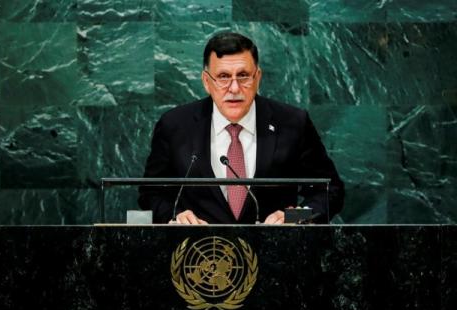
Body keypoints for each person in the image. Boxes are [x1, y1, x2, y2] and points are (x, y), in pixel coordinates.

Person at [138, 31, 344, 225]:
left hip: (274, 253)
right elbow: (150, 194)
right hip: (199, 255)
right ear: (206, 82)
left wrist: (295, 217)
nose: (234, 88)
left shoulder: (292, 123)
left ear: (258, 78)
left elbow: (330, 190)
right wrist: (175, 218)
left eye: (244, 75)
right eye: (224, 77)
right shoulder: (175, 125)